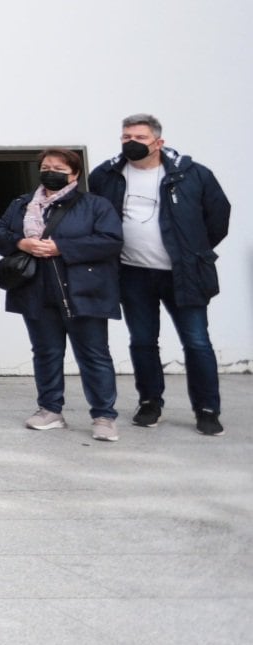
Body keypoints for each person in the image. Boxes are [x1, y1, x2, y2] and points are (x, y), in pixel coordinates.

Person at [89, 114, 232, 436]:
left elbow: (218, 217)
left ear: (158, 142)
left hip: (183, 273)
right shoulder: (107, 175)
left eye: (139, 137)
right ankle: (150, 403)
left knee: (196, 342)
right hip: (132, 273)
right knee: (142, 341)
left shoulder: (193, 174)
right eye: (126, 137)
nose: (131, 143)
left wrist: (192, 251)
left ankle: (207, 409)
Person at [0, 148, 124, 440]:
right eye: (46, 166)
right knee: (46, 352)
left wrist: (61, 247)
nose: (51, 171)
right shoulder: (23, 203)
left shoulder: (94, 205)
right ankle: (49, 410)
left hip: (84, 290)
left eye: (59, 167)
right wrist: (21, 243)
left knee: (94, 354)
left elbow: (110, 241)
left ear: (74, 174)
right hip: (35, 289)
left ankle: (103, 415)